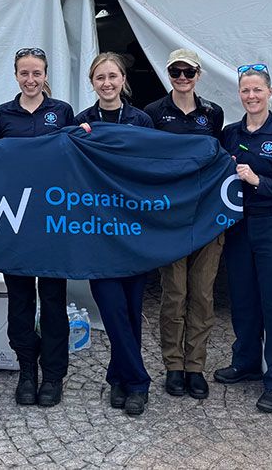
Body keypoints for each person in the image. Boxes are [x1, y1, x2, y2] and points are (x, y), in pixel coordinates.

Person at [212, 63, 272, 414]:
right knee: (243, 300)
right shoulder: (230, 133)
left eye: (257, 90)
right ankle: (247, 362)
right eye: (245, 90)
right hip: (239, 227)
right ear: (239, 94)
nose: (251, 96)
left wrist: (258, 181)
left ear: (270, 93)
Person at [0, 47, 75, 407]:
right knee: (20, 300)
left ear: (45, 75)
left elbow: (74, 161)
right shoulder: (1, 116)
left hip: (52, 220)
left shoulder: (62, 112)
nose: (30, 79)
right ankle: (27, 370)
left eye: (36, 73)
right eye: (24, 73)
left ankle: (53, 376)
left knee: (53, 300)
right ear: (15, 75)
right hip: (16, 220)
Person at [73, 52, 154, 416]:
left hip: (133, 228)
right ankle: (138, 382)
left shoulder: (141, 120)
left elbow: (152, 167)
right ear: (92, 83)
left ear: (123, 79)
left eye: (112, 76)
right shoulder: (82, 122)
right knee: (111, 307)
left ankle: (119, 376)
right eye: (99, 78)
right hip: (96, 230)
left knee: (131, 309)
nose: (106, 83)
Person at [143, 48, 225, 400]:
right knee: (174, 295)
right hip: (171, 217)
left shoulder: (213, 114)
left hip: (205, 214)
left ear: (198, 75)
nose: (181, 77)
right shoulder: (153, 113)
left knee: (203, 296)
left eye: (188, 72)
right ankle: (173, 365)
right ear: (168, 74)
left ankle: (196, 366)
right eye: (175, 71)